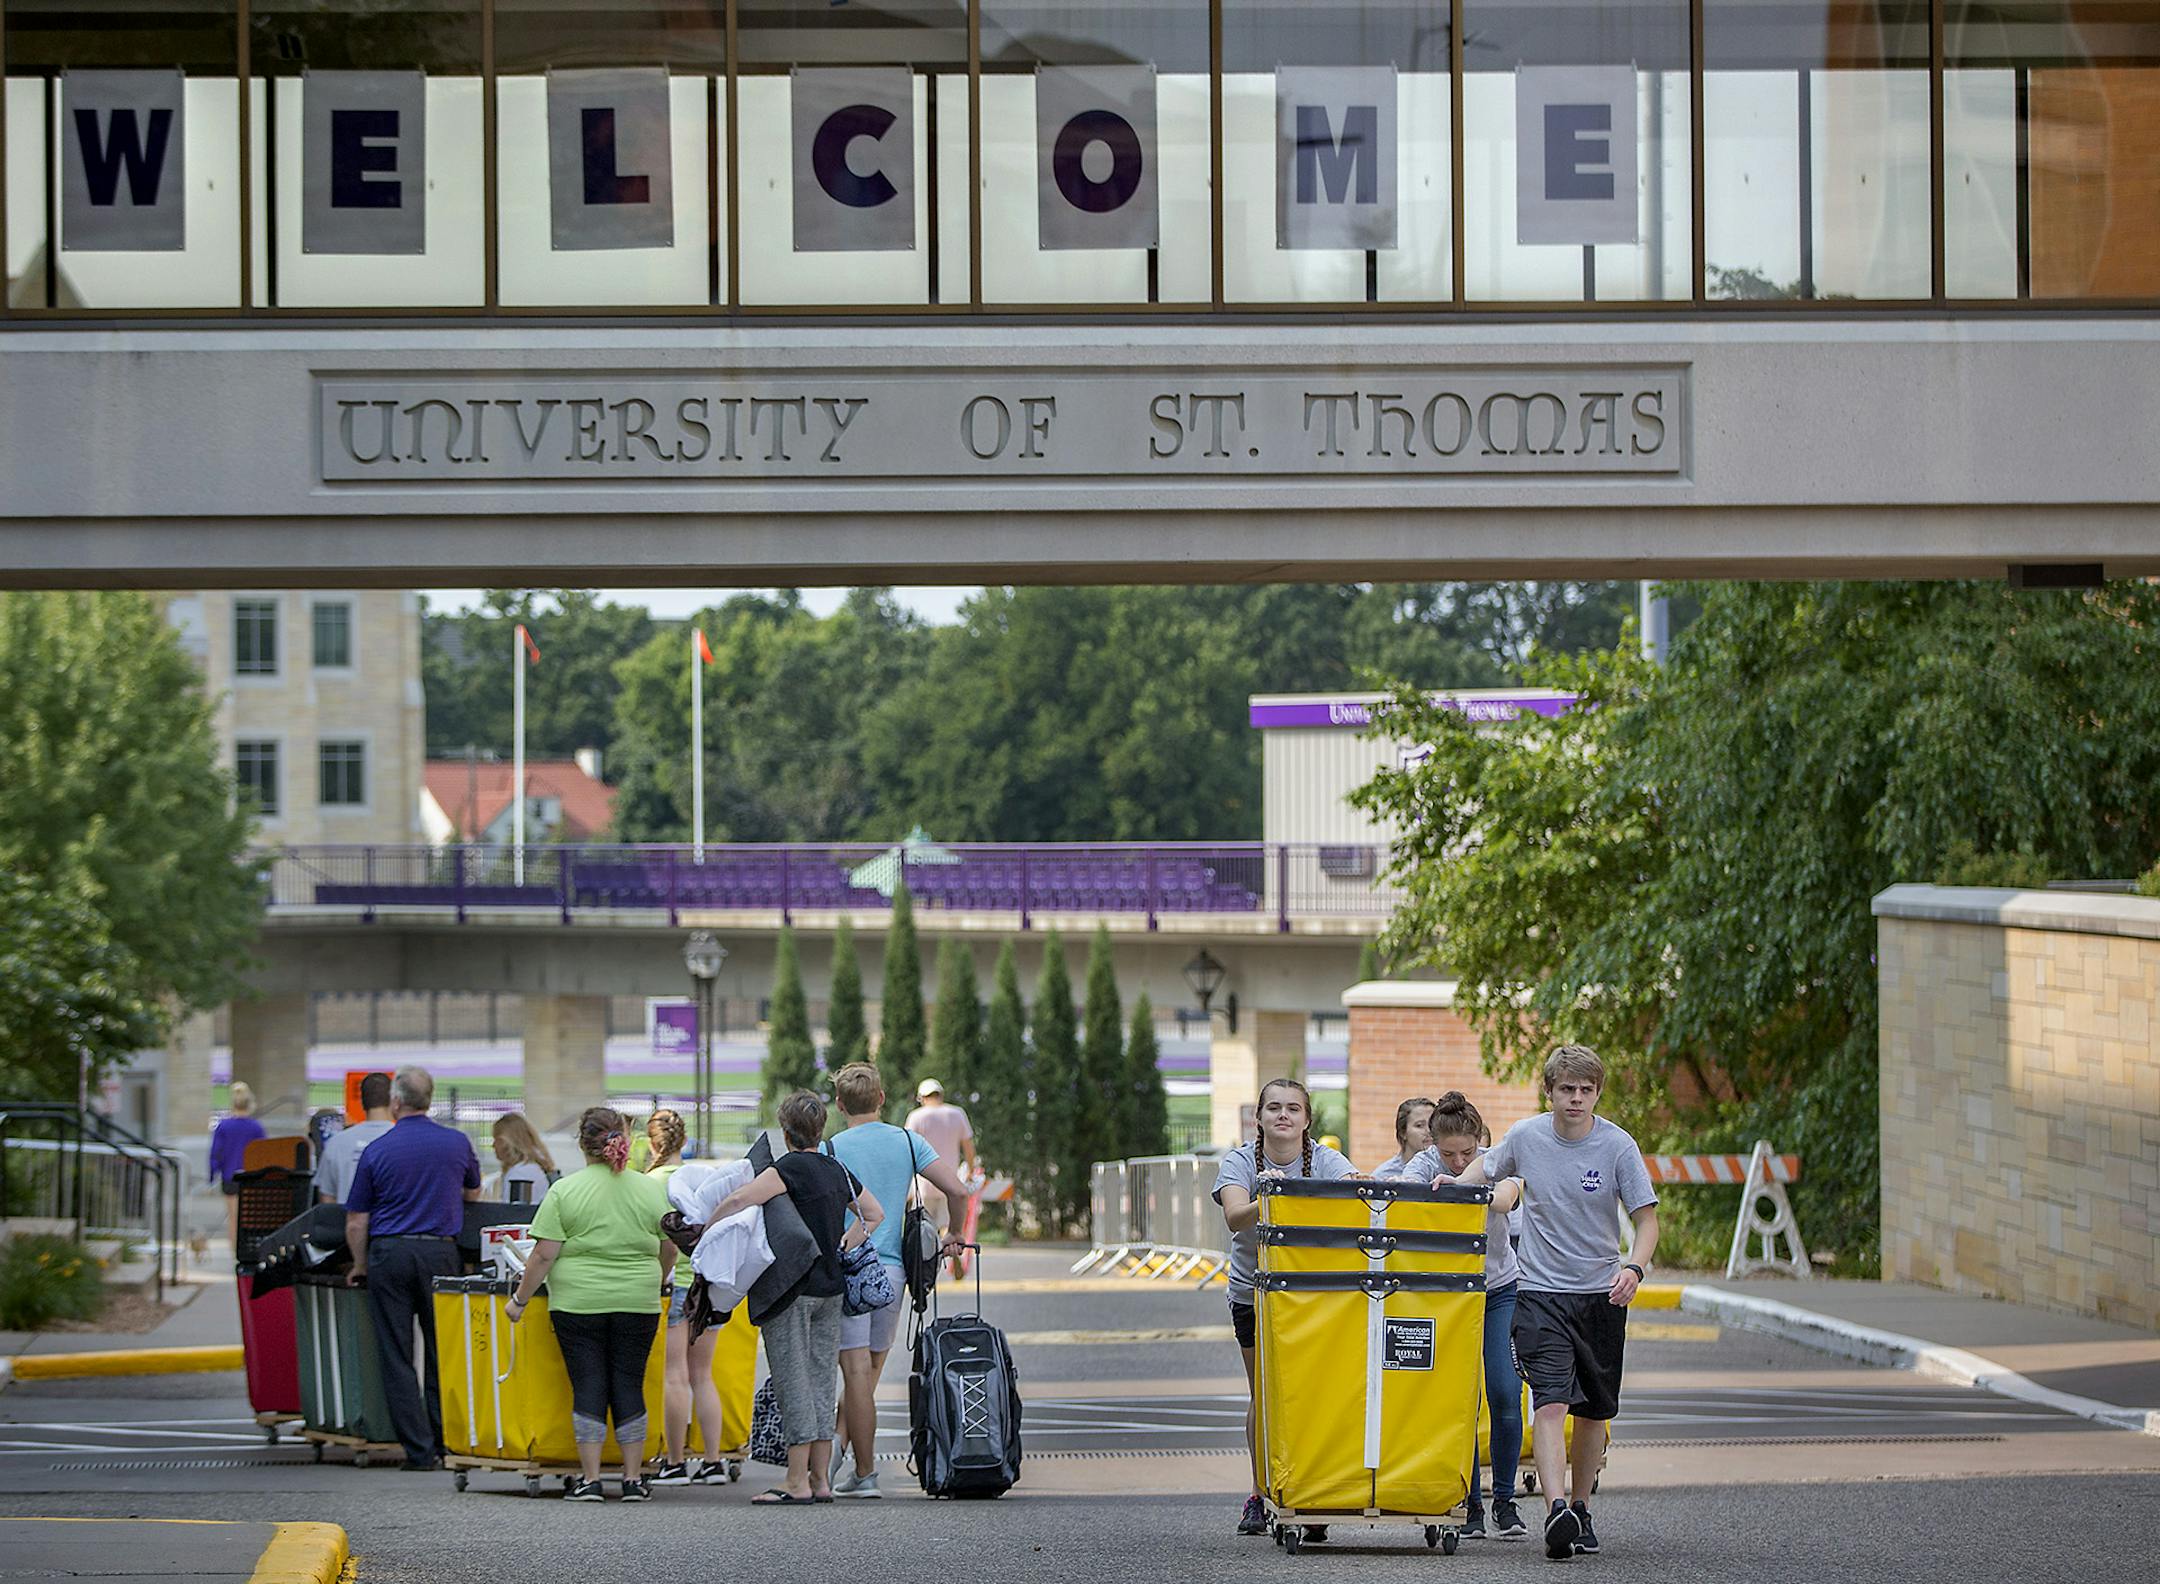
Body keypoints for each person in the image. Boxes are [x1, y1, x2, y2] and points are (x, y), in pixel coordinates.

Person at [1444, 1045, 1659, 1561]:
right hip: (1539, 1292)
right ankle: (1556, 1508)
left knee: (1592, 1411)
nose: (1576, 1099)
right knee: (1551, 1400)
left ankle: (1581, 1508)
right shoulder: (1527, 1136)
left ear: (1597, 1094)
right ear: (1550, 1092)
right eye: (1567, 1089)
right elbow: (1487, 1169)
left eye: (1586, 1090)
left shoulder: (1617, 1147)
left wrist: (1634, 1268)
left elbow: (1647, 1219)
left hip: (1601, 1294)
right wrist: (1451, 1187)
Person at [706, 1089, 881, 1505]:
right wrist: (846, 1243)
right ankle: (821, 1480)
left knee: (792, 1382)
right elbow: (874, 1213)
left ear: (786, 1133)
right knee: (821, 1379)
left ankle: (796, 1480)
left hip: (792, 1290)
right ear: (820, 1130)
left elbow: (737, 1198)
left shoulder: (788, 1169)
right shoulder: (836, 1169)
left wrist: (705, 1232)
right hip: (830, 1290)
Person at [1211, 1076, 1355, 1540]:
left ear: (1307, 1120)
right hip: (1253, 1290)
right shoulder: (1240, 1161)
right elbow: (1235, 1215)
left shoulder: (1325, 1159)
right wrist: (1272, 1198)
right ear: (1259, 1118)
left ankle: (1311, 1490)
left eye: (1293, 1109)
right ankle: (1259, 1492)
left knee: (1312, 1392)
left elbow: (1354, 1194)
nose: (1283, 1116)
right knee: (1266, 1393)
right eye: (1273, 1108)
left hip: (1311, 1292)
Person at [507, 1106, 673, 1503]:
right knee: (629, 1384)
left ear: (583, 1145)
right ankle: (633, 1480)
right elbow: (670, 1246)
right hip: (638, 1301)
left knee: (589, 1385)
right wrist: (658, 1279)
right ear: (624, 1141)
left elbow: (544, 1255)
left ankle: (591, 1479)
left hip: (577, 1305)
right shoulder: (650, 1189)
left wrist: (519, 1300)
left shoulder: (565, 1190)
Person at [828, 1064, 970, 1498]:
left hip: (852, 1264)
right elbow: (958, 1191)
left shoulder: (831, 1147)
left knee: (854, 1374)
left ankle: (856, 1468)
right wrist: (955, 1233)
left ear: (839, 1104)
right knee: (867, 1373)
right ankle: (846, 1465)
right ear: (883, 1099)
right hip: (895, 1271)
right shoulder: (908, 1141)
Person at [343, 1065, 483, 1472]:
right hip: (441, 1254)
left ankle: (419, 1451)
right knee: (444, 1351)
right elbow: (473, 1191)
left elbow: (356, 1220)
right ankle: (447, 1441)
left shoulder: (377, 1151)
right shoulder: (456, 1143)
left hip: (390, 1255)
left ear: (396, 1102)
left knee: (397, 1353)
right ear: (430, 1100)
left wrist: (359, 1263)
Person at [1404, 1093, 1526, 1541]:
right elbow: (1404, 1201)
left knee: (1504, 1392)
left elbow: (1511, 1195)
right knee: (1461, 1401)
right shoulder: (1420, 1166)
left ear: (1480, 1141)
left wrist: (1475, 1187)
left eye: (1466, 1153)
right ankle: (1470, 1502)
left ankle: (1506, 1502)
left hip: (1498, 1289)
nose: (1457, 1163)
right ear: (1433, 1144)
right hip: (1448, 1296)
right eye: (1448, 1154)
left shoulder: (1494, 1163)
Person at [641, 1109, 726, 1487]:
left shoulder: (648, 1183)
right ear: (684, 1142)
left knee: (675, 1374)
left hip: (676, 1285)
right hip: (709, 1283)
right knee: (703, 1375)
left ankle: (675, 1462)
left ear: (651, 1144)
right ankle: (713, 1461)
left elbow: (663, 1245)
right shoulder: (701, 1179)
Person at [905, 1077, 980, 1280]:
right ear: (941, 1095)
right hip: (950, 1182)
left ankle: (924, 1270)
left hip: (924, 1181)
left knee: (923, 1227)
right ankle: (953, 1256)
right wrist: (972, 1170)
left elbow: (909, 1149)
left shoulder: (917, 1116)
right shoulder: (956, 1114)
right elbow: (968, 1147)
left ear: (922, 1097)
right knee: (949, 1224)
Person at [316, 1073, 393, 1206]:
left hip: (344, 1222)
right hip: (391, 1224)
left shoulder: (336, 1143)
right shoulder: (406, 1141)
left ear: (362, 1102)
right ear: (393, 1100)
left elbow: (326, 1200)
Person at [210, 1081, 266, 1254]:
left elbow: (216, 1152)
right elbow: (263, 1152)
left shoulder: (223, 1127)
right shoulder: (256, 1127)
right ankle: (249, 1247)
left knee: (233, 1217)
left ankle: (235, 1249)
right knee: (249, 1216)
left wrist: (212, 1175)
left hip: (230, 1176)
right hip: (251, 1176)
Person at [489, 1112, 558, 1204]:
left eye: (496, 1139)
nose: (493, 1145)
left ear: (505, 1142)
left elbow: (514, 1213)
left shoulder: (520, 1173)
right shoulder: (533, 1167)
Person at [1368, 1096, 1436, 1181]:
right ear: (1403, 1132)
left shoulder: (1448, 1168)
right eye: (1419, 1125)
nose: (1429, 1131)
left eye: (1432, 1124)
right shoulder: (1383, 1176)